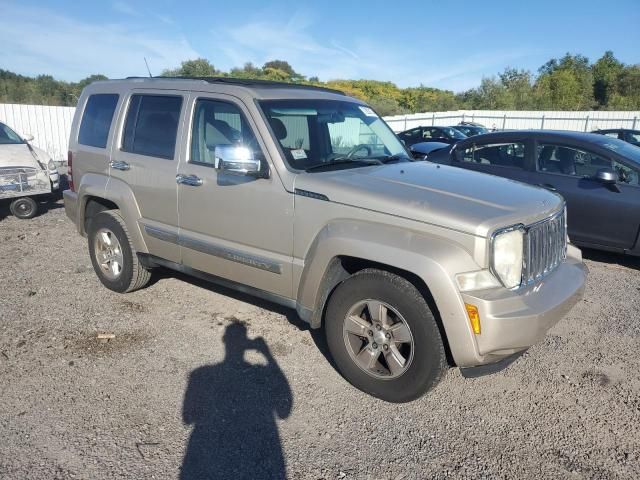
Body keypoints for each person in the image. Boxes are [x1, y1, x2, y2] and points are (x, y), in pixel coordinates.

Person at [180, 322, 293, 479]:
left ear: (224, 340)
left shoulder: (200, 374)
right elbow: (284, 411)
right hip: (256, 454)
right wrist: (268, 355)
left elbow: (187, 418)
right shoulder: (259, 373)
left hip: (208, 456)